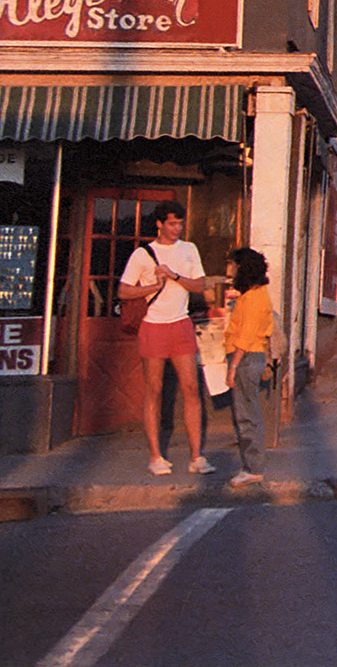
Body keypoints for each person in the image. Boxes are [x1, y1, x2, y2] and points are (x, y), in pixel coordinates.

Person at [118, 201, 214, 475]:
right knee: (154, 388)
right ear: (159, 223)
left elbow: (200, 285)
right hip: (153, 325)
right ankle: (155, 456)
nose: (177, 228)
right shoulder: (142, 254)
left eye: (180, 223)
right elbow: (123, 292)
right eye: (172, 223)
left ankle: (197, 456)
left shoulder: (189, 249)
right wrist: (152, 286)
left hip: (181, 323)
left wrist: (174, 276)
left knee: (191, 388)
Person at [223, 247, 274, 486]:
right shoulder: (254, 294)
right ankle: (251, 465)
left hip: (246, 358)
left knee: (246, 415)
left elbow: (245, 335)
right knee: (246, 412)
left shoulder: (253, 299)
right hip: (250, 356)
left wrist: (232, 368)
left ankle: (253, 467)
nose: (229, 271)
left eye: (233, 266)